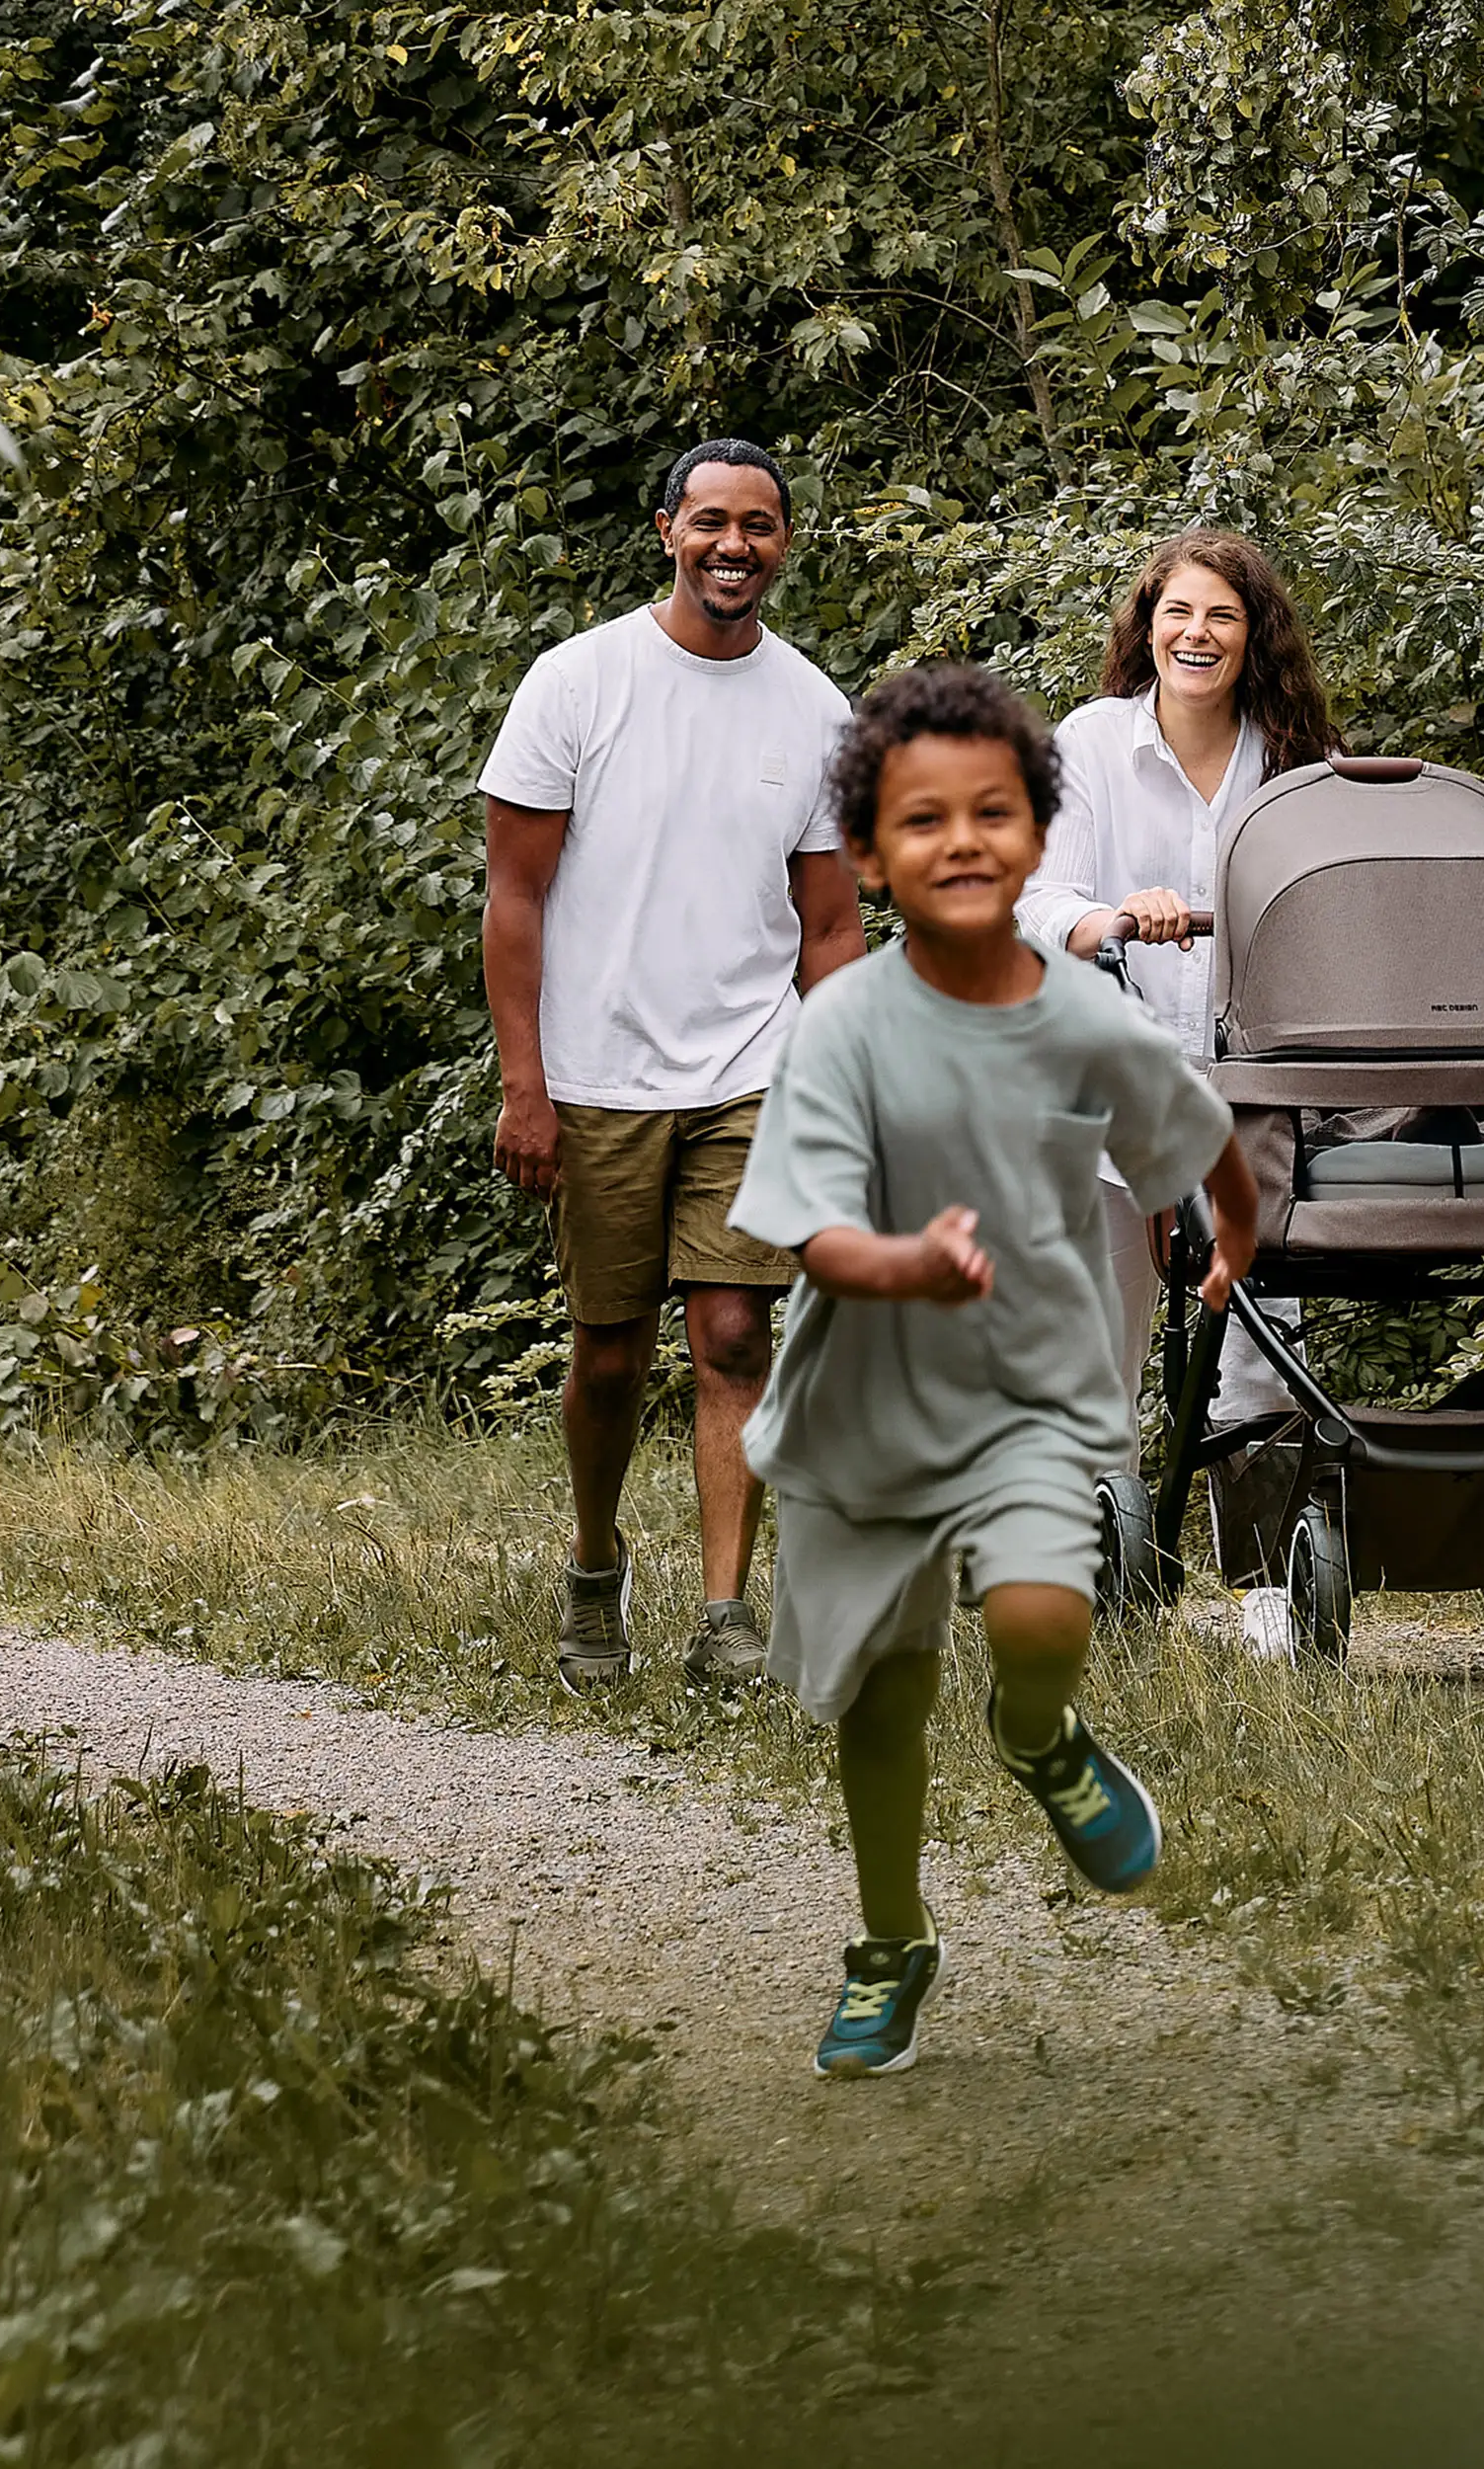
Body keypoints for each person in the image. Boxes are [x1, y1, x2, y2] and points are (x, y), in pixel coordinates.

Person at [729, 664, 1259, 2077]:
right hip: (870, 1402)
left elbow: (1192, 1125)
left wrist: (1240, 1233)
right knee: (885, 1695)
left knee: (1038, 1613)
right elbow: (813, 1229)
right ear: (868, 855)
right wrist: (904, 1263)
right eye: (922, 821)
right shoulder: (840, 1025)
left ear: (1036, 836)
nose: (961, 841)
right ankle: (891, 1941)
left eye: (992, 814)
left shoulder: (1083, 1013)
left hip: (1026, 1386)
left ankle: (1042, 1735)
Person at [481, 438, 867, 1695]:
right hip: (595, 1075)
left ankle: (722, 1613)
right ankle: (596, 1569)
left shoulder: (814, 711)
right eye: (711, 521)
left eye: (758, 525)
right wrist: (524, 1087)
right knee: (605, 1350)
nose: (733, 546)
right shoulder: (577, 683)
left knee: (735, 1331)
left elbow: (828, 929)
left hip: (750, 1070)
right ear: (667, 532)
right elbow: (516, 898)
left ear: (785, 545)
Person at [1013, 528, 1335, 1648]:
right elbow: (1037, 896)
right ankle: (1106, 1576)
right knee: (1104, 1340)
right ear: (1145, 627)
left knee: (1258, 1339)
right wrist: (1105, 919)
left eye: (1222, 618)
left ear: (1254, 642)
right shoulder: (1092, 744)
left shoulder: (1289, 758)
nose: (1196, 635)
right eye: (1177, 614)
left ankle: (1262, 1600)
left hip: (1247, 1093)